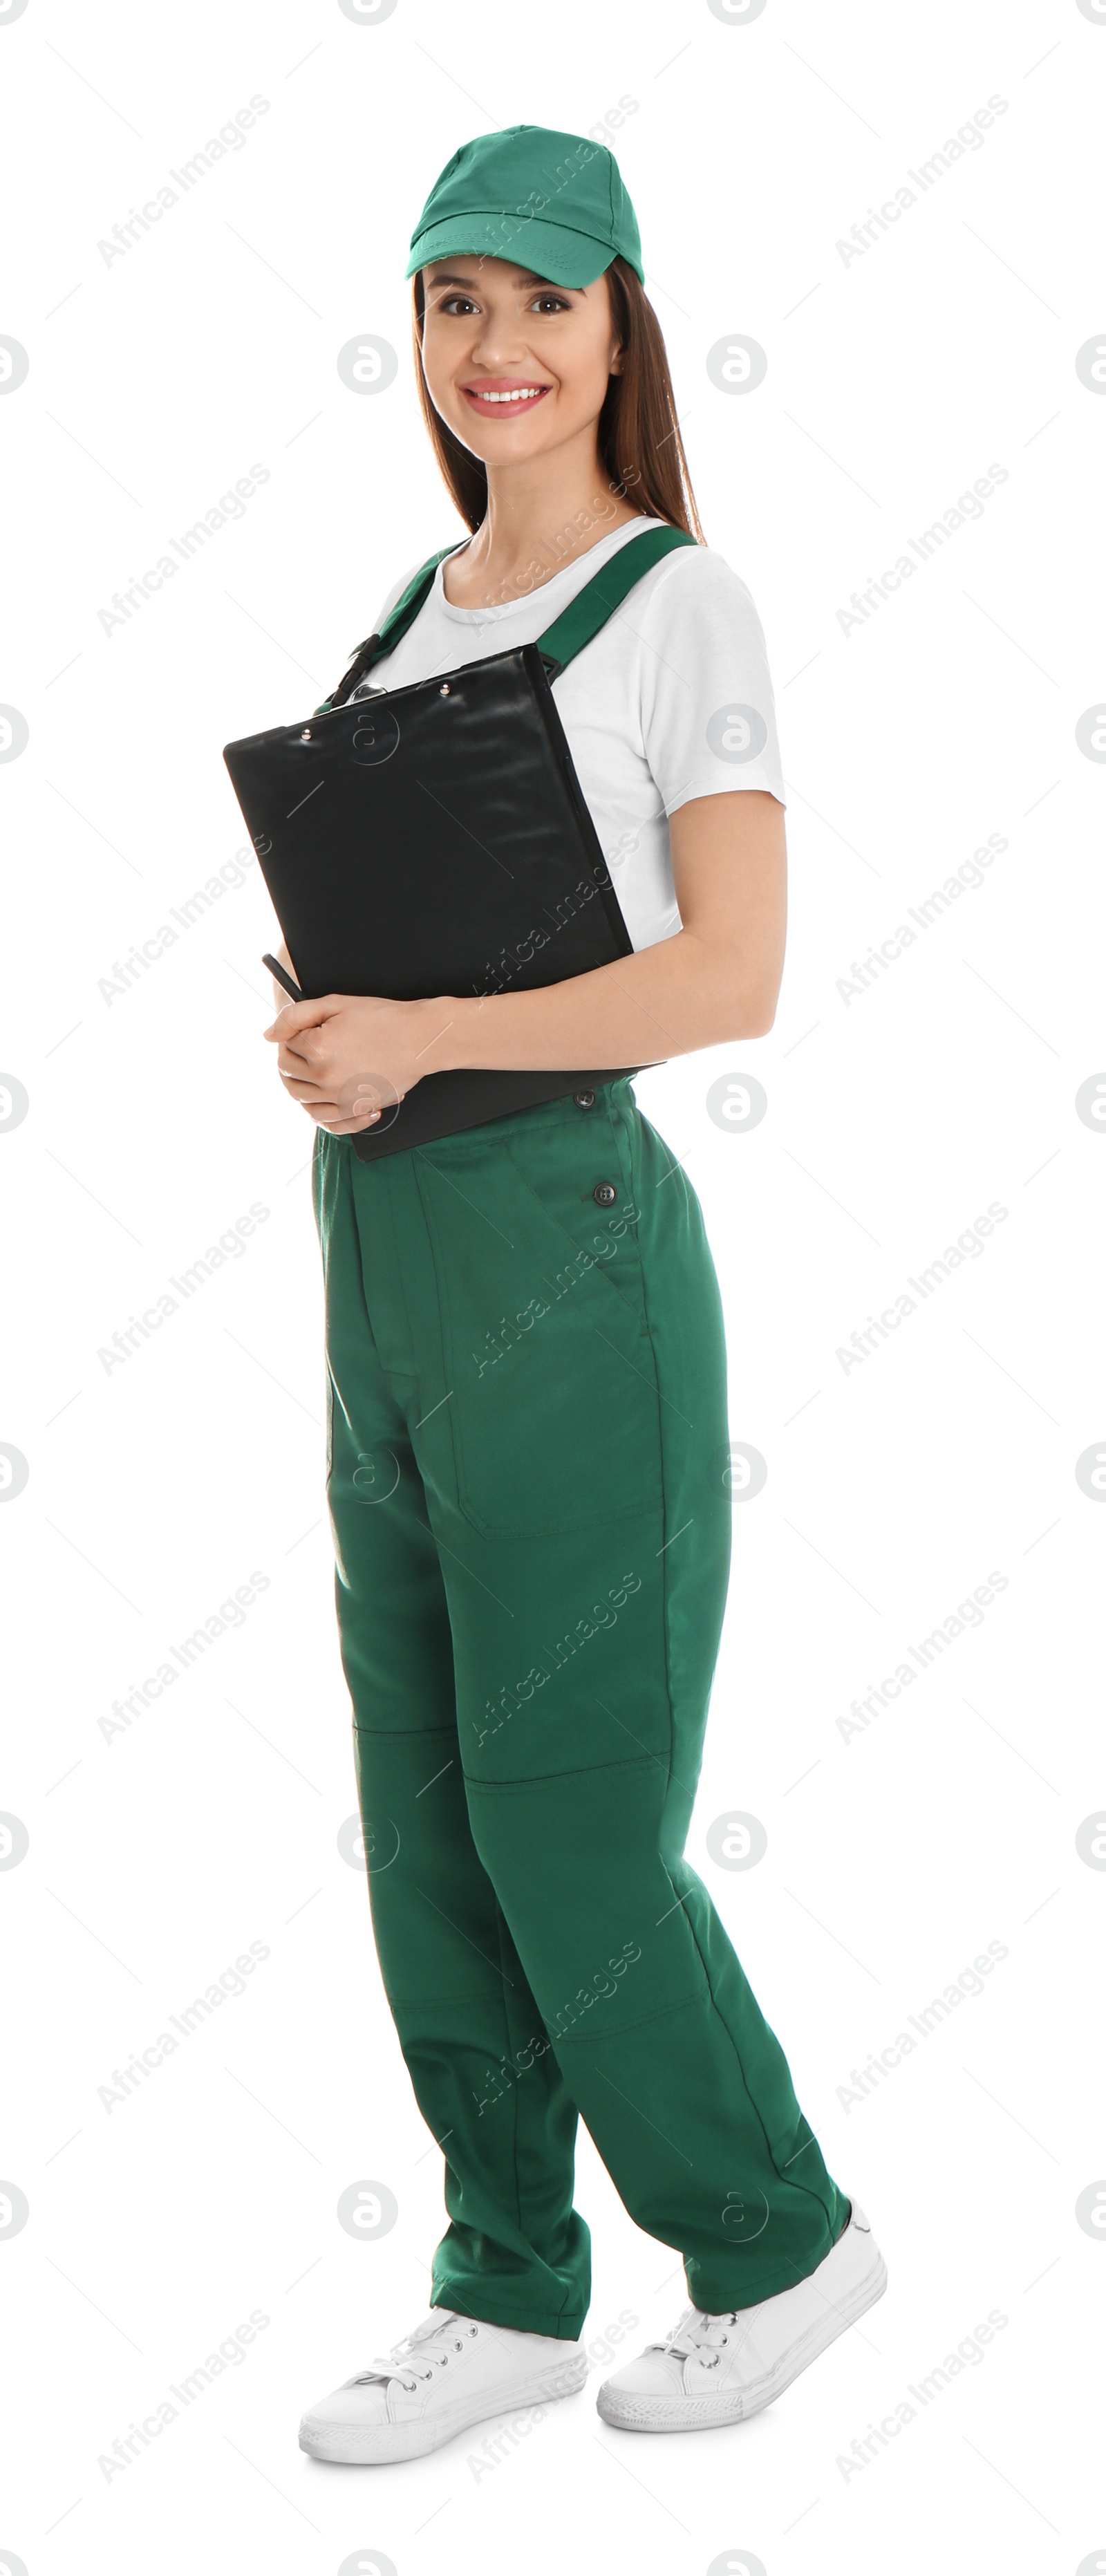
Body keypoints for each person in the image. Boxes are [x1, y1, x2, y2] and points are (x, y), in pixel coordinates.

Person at [261, 124, 886, 2468]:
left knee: (567, 1809)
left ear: (621, 320)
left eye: (538, 301)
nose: (493, 349)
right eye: (451, 305)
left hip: (569, 1256)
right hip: (382, 1254)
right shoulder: (412, 614)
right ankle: (507, 2276)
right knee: (422, 1803)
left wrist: (427, 1041)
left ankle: (778, 2236)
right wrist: (340, 1034)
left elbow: (728, 976)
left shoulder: (674, 603)